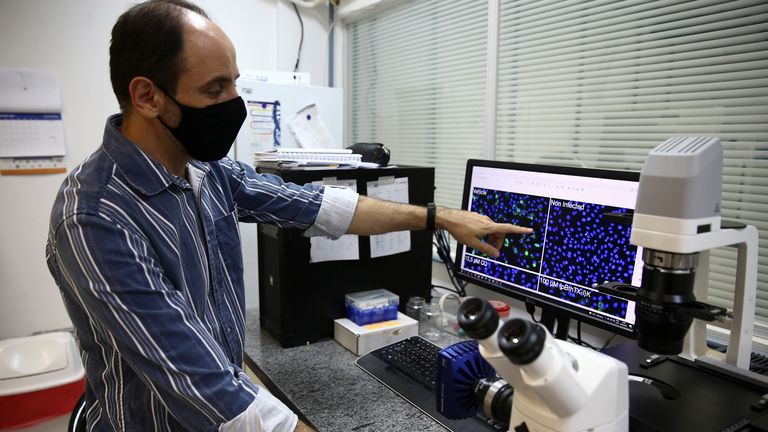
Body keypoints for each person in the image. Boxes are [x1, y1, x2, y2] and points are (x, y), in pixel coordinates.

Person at [44, 1, 533, 430]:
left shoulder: (207, 170)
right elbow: (197, 382)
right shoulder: (95, 217)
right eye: (215, 90)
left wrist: (439, 217)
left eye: (234, 83)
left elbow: (324, 207)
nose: (234, 104)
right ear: (147, 96)